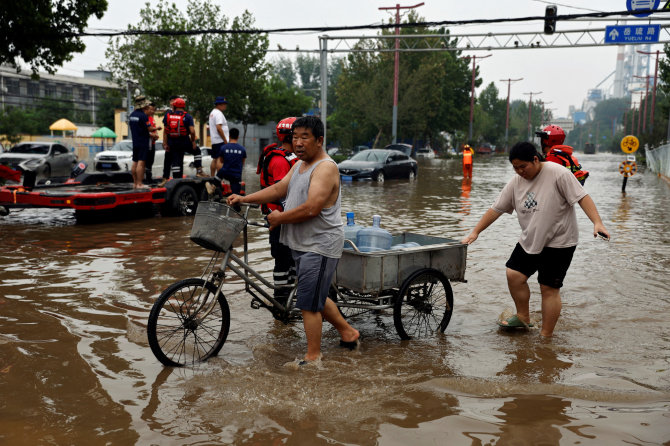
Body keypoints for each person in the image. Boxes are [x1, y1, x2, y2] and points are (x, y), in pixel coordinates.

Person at [227, 116, 359, 365]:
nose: (297, 143)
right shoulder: (299, 165)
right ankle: (348, 332)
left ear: (319, 140)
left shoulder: (325, 168)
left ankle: (313, 357)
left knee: (308, 304)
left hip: (319, 246)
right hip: (302, 243)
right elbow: (278, 190)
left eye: (304, 137)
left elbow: (312, 208)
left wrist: (280, 218)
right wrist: (243, 198)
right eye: (295, 137)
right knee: (316, 296)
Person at [461, 141, 610, 338]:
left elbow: (582, 197)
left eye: (523, 166)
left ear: (535, 159)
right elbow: (496, 209)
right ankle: (523, 316)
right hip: (531, 238)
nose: (520, 171)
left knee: (548, 288)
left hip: (560, 242)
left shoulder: (558, 173)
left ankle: (546, 337)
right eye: (515, 167)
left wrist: (597, 222)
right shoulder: (515, 182)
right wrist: (475, 232)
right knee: (514, 275)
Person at [257, 117, 298, 302]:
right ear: (291, 136)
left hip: (288, 219)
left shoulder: (287, 156)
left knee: (292, 260)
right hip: (279, 219)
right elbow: (281, 193)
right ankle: (281, 302)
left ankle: (292, 300)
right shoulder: (281, 161)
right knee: (282, 260)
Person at [162, 97, 201, 181]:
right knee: (197, 150)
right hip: (184, 141)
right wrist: (193, 141)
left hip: (172, 142)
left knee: (176, 160)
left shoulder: (168, 116)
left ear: (175, 106)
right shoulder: (187, 116)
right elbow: (192, 131)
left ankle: (176, 179)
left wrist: (165, 142)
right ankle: (199, 170)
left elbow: (165, 130)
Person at [128, 95, 156, 189]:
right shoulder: (143, 116)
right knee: (141, 163)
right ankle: (140, 184)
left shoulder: (132, 115)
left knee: (135, 162)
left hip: (135, 142)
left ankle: (135, 183)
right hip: (143, 141)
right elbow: (150, 128)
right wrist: (156, 128)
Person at [209, 127, 245, 196]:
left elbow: (221, 161)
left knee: (220, 172)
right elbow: (242, 163)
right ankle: (235, 202)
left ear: (229, 136)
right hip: (236, 175)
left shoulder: (224, 148)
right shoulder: (242, 149)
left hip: (225, 173)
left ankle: (213, 186)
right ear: (238, 137)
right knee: (236, 196)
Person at [208, 96, 229, 176]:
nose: (225, 106)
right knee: (220, 160)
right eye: (224, 104)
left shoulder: (213, 113)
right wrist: (225, 141)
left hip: (215, 140)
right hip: (220, 141)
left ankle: (212, 177)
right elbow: (219, 128)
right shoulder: (219, 113)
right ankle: (218, 179)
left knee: (215, 159)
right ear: (219, 104)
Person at [145, 102, 161, 183]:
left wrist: (156, 135)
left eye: (153, 110)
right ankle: (146, 178)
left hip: (153, 143)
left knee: (151, 161)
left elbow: (154, 129)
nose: (152, 111)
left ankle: (149, 177)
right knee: (146, 162)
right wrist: (152, 135)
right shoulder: (145, 118)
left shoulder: (152, 119)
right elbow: (145, 131)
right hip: (147, 144)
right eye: (150, 109)